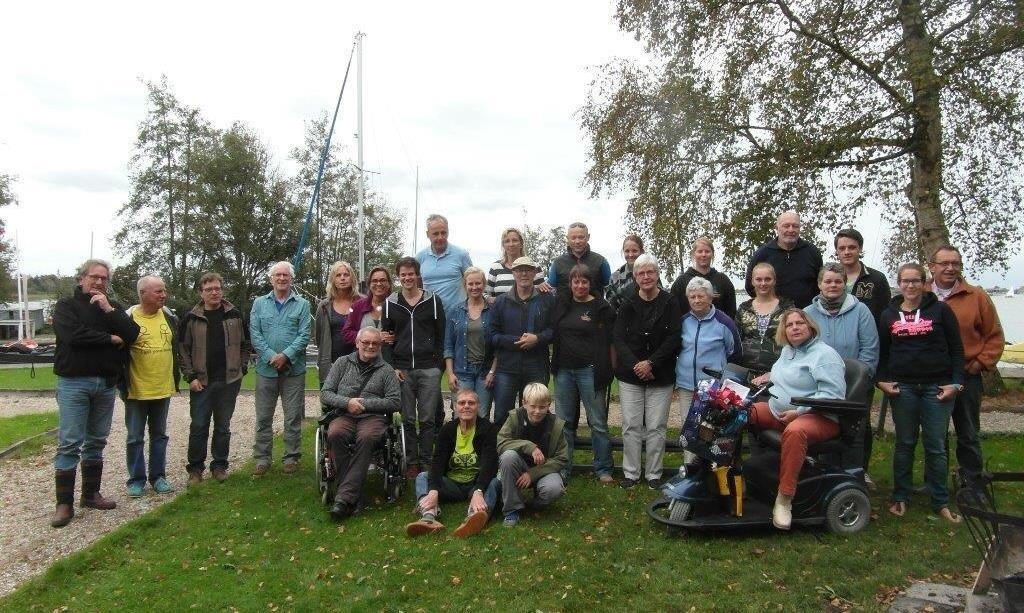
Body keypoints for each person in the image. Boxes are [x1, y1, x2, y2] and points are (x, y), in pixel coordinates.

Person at [50, 259, 140, 528]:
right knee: (70, 442)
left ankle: (91, 494)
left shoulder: (111, 308)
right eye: (94, 277)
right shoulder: (66, 306)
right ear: (81, 278)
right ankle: (64, 503)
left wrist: (109, 309)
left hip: (105, 383)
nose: (99, 282)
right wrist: (110, 339)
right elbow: (73, 336)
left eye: (104, 278)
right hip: (74, 382)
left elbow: (132, 334)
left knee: (97, 440)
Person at [878, 262, 965, 523]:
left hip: (936, 387)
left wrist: (956, 382)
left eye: (916, 280)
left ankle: (940, 501)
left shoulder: (940, 310)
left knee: (936, 446)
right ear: (899, 283)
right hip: (903, 388)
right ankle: (900, 496)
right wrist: (881, 381)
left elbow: (957, 350)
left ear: (924, 282)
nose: (911, 286)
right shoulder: (889, 314)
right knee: (904, 444)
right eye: (906, 281)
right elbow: (882, 353)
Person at [747, 308, 846, 530]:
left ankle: (784, 499)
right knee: (741, 412)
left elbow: (833, 395)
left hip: (818, 417)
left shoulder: (825, 355)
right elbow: (788, 375)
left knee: (795, 432)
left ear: (810, 326)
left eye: (799, 323)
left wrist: (799, 411)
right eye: (790, 325)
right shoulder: (788, 351)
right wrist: (768, 377)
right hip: (779, 412)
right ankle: (730, 474)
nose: (794, 328)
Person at [928, 245, 1004, 484]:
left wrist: (979, 364)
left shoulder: (976, 296)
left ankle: (972, 480)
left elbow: (994, 336)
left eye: (956, 263)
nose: (950, 268)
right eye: (944, 264)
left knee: (968, 432)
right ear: (932, 267)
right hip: (931, 376)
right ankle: (934, 483)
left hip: (966, 375)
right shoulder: (920, 295)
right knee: (935, 434)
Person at [803, 262, 879, 483]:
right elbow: (802, 351)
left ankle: (853, 483)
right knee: (822, 434)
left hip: (853, 390)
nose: (833, 285)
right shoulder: (807, 314)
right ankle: (825, 482)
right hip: (819, 389)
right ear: (819, 284)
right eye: (828, 281)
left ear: (845, 284)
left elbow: (870, 350)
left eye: (838, 281)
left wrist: (859, 383)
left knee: (853, 437)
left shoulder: (861, 311)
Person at [613, 254, 681, 489]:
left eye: (650, 272)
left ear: (657, 274)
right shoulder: (628, 303)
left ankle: (653, 474)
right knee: (631, 425)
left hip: (660, 374)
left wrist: (651, 363)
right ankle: (631, 473)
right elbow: (619, 338)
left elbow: (674, 337)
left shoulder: (670, 302)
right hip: (630, 375)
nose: (646, 277)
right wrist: (637, 365)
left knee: (656, 426)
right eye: (641, 273)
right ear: (635, 278)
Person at [320, 326, 402, 520]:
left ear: (380, 346)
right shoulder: (341, 363)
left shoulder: (386, 370)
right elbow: (326, 393)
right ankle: (353, 496)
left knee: (367, 437)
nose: (370, 346)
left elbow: (394, 402)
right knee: (335, 434)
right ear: (357, 343)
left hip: (372, 417)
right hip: (344, 414)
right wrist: (347, 403)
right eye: (365, 342)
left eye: (375, 343)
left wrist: (364, 404)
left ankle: (344, 499)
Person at [179, 272, 251, 485]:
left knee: (223, 426)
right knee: (199, 425)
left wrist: (242, 367)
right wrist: (190, 376)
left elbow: (246, 345)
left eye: (217, 288)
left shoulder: (234, 315)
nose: (214, 292)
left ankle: (219, 465)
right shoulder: (191, 318)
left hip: (228, 381)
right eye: (209, 289)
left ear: (222, 290)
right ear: (201, 292)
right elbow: (183, 350)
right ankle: (195, 469)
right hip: (202, 381)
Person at [550, 264, 615, 483]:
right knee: (564, 423)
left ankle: (603, 468)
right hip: (564, 371)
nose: (580, 285)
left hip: (591, 371)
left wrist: (609, 367)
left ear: (590, 284)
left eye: (584, 281)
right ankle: (563, 468)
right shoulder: (562, 305)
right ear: (570, 284)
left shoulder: (601, 307)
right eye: (575, 281)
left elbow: (611, 340)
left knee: (597, 422)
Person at [382, 257, 446, 478]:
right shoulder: (390, 303)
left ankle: (427, 461)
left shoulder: (433, 301)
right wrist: (391, 366)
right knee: (408, 419)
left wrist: (438, 366)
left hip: (429, 368)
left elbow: (441, 336)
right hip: (402, 369)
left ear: (417, 276)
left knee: (428, 419)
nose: (407, 278)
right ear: (398, 277)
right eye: (403, 274)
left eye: (411, 274)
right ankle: (412, 461)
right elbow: (386, 339)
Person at [405, 389, 500, 538]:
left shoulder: (488, 429)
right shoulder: (447, 430)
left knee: (494, 482)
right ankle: (428, 517)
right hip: (452, 484)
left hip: (475, 484)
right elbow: (437, 461)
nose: (466, 406)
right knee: (423, 476)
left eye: (471, 403)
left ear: (478, 406)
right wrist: (434, 489)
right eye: (462, 403)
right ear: (455, 407)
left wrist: (479, 490)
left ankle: (474, 517)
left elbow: (490, 463)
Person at [250, 261, 311, 476]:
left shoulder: (302, 304)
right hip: (265, 371)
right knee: (263, 418)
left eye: (286, 275)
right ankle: (262, 459)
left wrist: (285, 356)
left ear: (291, 279)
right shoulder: (259, 303)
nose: (282, 278)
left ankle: (291, 457)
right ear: (271, 279)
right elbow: (255, 334)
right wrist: (270, 356)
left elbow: (304, 335)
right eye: (278, 275)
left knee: (292, 417)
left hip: (293, 370)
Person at [123, 276, 180, 497]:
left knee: (159, 435)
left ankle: (158, 477)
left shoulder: (169, 316)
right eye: (158, 292)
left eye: (164, 291)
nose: (163, 295)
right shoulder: (128, 317)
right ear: (142, 294)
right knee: (135, 437)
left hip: (162, 386)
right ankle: (136, 480)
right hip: (136, 389)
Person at [488, 256, 556, 428]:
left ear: (534, 273)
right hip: (507, 368)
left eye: (528, 269)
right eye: (519, 270)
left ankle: (534, 452)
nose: (524, 273)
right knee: (503, 415)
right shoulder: (501, 301)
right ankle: (503, 453)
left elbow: (554, 330)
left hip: (537, 365)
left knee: (536, 413)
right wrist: (514, 341)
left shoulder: (547, 299)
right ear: (513, 273)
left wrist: (538, 339)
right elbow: (492, 335)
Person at [496, 383, 569, 526]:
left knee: (554, 489)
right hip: (518, 466)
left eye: (542, 407)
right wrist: (529, 447)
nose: (537, 411)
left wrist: (532, 474)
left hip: (544, 469)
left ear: (549, 405)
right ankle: (511, 510)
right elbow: (501, 443)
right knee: (508, 456)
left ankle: (535, 504)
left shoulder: (556, 425)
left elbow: (562, 458)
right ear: (524, 403)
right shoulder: (514, 417)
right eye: (533, 406)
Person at [675, 277, 741, 430]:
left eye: (701, 296)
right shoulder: (683, 322)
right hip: (686, 384)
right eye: (692, 297)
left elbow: (735, 352)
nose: (696, 300)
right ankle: (689, 455)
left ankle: (705, 455)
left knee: (709, 427)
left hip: (711, 386)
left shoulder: (724, 322)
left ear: (710, 297)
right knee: (688, 427)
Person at [445, 267, 496, 418]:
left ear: (484, 284)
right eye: (470, 284)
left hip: (485, 372)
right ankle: (461, 443)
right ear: (465, 285)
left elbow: (498, 345)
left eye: (478, 283)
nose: (474, 287)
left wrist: (493, 371)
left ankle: (480, 443)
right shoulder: (455, 311)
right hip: (462, 372)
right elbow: (448, 345)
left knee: (481, 415)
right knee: (461, 415)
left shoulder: (493, 310)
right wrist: (450, 373)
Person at [744, 210, 823, 308]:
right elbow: (750, 287)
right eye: (786, 226)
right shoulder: (762, 254)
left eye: (795, 226)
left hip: (806, 315)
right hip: (774, 317)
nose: (791, 230)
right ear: (777, 228)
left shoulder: (812, 252)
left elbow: (821, 284)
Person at [735, 262, 794, 376]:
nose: (763, 283)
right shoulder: (744, 309)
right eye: (759, 279)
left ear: (774, 281)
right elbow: (736, 341)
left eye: (768, 279)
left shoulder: (787, 308)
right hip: (745, 373)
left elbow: (793, 341)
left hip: (778, 373)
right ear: (752, 281)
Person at [314, 261, 363, 388]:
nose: (342, 278)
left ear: (352, 278)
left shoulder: (363, 302)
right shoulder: (324, 306)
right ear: (333, 280)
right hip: (331, 364)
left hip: (360, 364)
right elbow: (319, 337)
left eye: (346, 274)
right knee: (330, 405)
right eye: (338, 275)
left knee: (357, 405)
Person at [669, 237, 737, 319]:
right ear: (694, 254)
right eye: (700, 251)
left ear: (712, 254)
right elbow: (673, 311)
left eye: (707, 251)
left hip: (718, 329)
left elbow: (731, 311)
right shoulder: (681, 282)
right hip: (689, 329)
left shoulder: (723, 280)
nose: (704, 255)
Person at [416, 213, 473, 310]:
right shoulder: (420, 257)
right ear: (427, 234)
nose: (440, 237)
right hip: (429, 315)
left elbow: (472, 282)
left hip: (456, 316)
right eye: (435, 234)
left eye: (443, 233)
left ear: (448, 232)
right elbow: (417, 287)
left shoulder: (461, 255)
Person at [834, 228, 891, 323]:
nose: (847, 252)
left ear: (860, 248)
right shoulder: (828, 279)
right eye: (842, 248)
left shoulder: (877, 278)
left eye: (852, 247)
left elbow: (885, 313)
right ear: (837, 251)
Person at [342, 265, 393, 363]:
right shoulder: (358, 307)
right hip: (363, 363)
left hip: (390, 364)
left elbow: (405, 334)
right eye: (374, 281)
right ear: (369, 284)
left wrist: (396, 337)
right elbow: (346, 333)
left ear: (389, 283)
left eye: (383, 280)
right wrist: (366, 337)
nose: (378, 284)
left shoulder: (397, 306)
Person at [547, 222, 611, 298]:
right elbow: (549, 289)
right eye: (573, 238)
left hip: (595, 308)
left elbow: (610, 288)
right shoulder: (557, 263)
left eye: (581, 237)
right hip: (564, 309)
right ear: (567, 238)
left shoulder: (601, 261)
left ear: (588, 237)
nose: (577, 241)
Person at [485, 227, 546, 300]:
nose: (511, 244)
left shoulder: (534, 266)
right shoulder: (495, 267)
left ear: (521, 244)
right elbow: (486, 293)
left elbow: (542, 291)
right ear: (503, 245)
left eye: (515, 240)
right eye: (507, 241)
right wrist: (492, 300)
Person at [606, 234, 649, 312]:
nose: (631, 255)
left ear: (642, 251)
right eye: (627, 251)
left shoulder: (651, 272)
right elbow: (611, 308)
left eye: (635, 251)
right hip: (623, 321)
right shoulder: (615, 277)